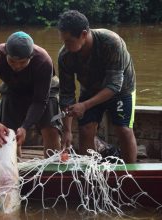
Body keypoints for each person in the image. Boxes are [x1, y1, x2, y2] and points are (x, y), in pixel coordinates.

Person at [57, 10, 137, 163]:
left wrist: (85, 105)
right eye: (63, 41)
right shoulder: (65, 56)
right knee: (85, 130)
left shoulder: (111, 42)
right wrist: (67, 130)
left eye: (68, 41)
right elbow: (67, 94)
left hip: (121, 89)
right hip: (90, 89)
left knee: (123, 129)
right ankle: (90, 176)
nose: (65, 46)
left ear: (84, 34)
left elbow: (114, 85)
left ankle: (130, 175)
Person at [0, 31, 62, 158]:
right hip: (13, 87)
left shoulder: (43, 61)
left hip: (45, 90)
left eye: (23, 62)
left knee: (50, 126)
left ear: (31, 56)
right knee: (7, 132)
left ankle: (53, 164)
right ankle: (13, 162)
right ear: (5, 52)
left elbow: (40, 101)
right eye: (12, 61)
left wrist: (25, 127)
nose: (17, 66)